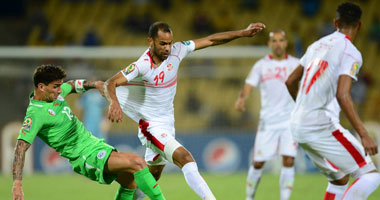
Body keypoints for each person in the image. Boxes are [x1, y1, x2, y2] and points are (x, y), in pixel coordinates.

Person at [104, 21, 265, 200]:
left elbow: (211, 40)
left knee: (152, 176)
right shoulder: (142, 65)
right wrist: (114, 103)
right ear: (150, 41)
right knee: (185, 158)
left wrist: (243, 32)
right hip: (151, 126)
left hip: (168, 123)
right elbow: (111, 82)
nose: (167, 48)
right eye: (162, 44)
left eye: (169, 42)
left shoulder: (178, 50)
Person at [12, 64, 166, 200]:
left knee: (130, 182)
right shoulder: (35, 115)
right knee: (137, 162)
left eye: (60, 85)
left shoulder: (55, 94)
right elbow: (20, 147)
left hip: (94, 144)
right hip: (84, 156)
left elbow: (72, 85)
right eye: (56, 87)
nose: (60, 90)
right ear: (41, 87)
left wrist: (96, 84)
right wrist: (17, 184)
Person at [285, 2, 380, 200]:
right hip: (320, 125)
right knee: (370, 176)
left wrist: (303, 107)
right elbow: (343, 95)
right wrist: (364, 134)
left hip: (297, 124)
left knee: (339, 179)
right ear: (359, 25)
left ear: (335, 22)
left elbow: (290, 80)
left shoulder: (316, 46)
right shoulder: (350, 52)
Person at [235, 30, 299, 200]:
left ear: (286, 43)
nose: (278, 43)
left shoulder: (296, 64)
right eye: (274, 41)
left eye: (281, 40)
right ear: (269, 44)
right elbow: (249, 85)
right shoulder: (261, 65)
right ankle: (250, 197)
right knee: (258, 163)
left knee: (289, 160)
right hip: (268, 121)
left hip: (289, 120)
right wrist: (242, 99)